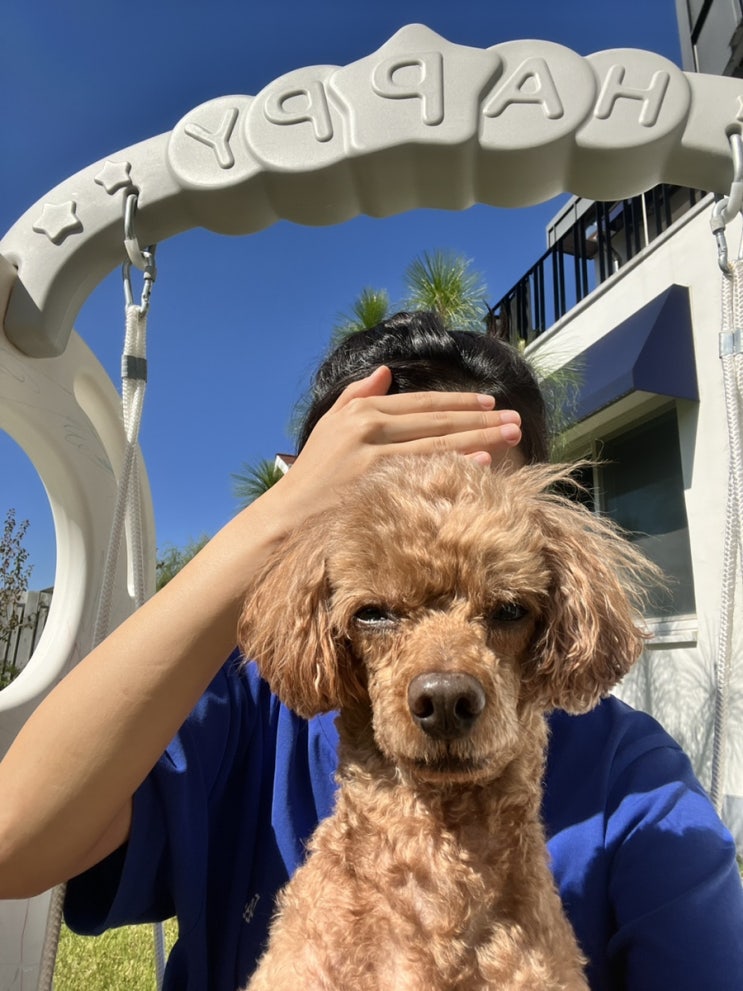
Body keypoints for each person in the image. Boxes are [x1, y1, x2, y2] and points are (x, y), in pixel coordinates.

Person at [0, 312, 741, 990]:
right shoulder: (240, 711)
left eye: (505, 610)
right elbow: (14, 841)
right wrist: (282, 518)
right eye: (379, 612)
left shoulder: (634, 783)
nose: (444, 680)